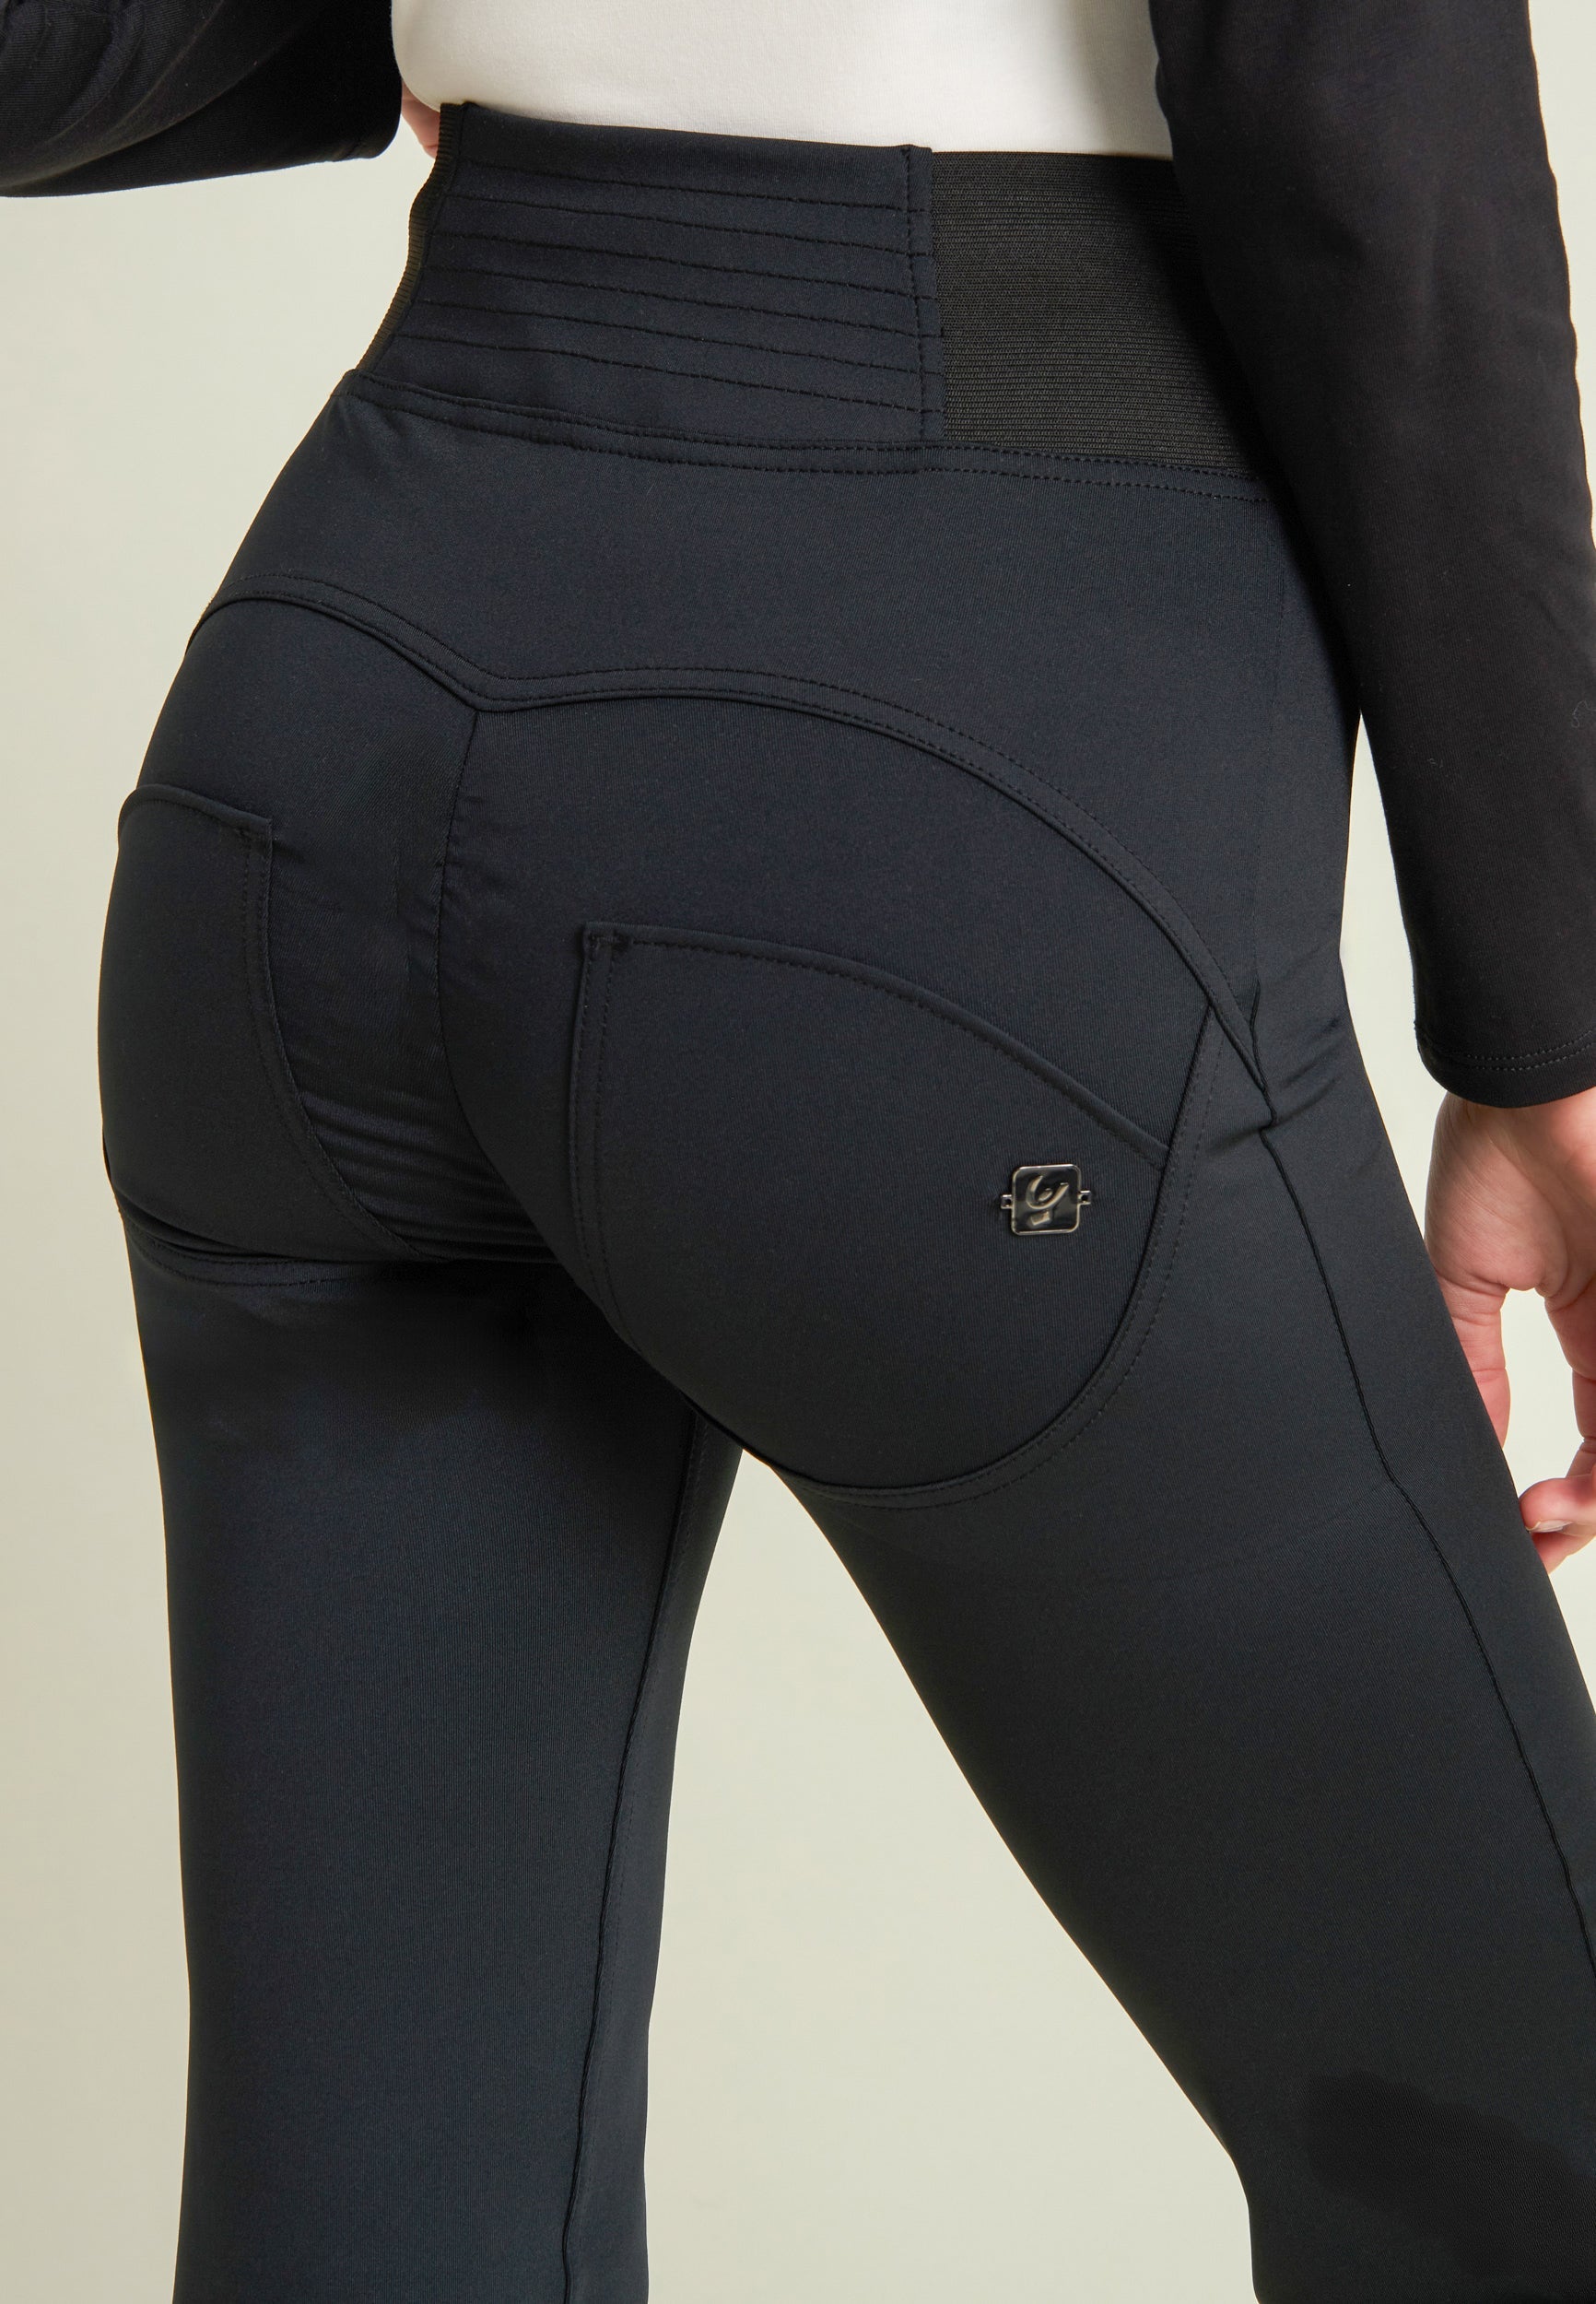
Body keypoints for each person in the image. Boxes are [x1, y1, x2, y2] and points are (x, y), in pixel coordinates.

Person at [6, 3, 1596, 2297]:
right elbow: (1355, 101)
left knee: (384, 2224)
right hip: (936, 819)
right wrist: (1548, 1027)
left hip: (319, 766)